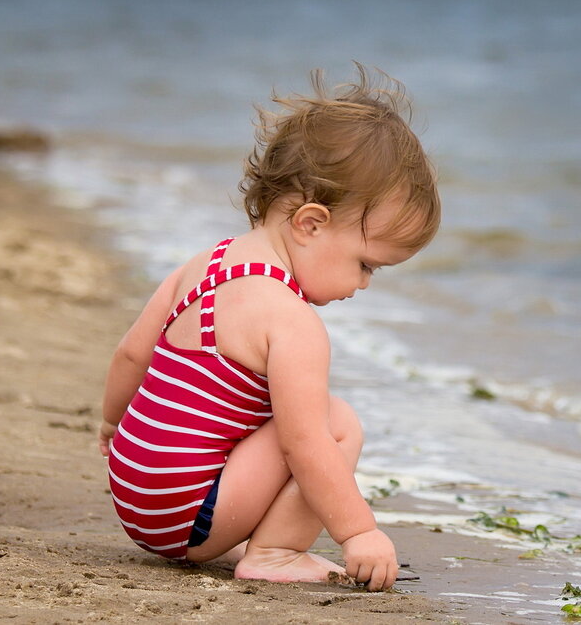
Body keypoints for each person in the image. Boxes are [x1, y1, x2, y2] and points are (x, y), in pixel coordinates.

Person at [97, 64, 440, 591]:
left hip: (131, 493)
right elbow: (304, 445)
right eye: (366, 265)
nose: (364, 285)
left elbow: (129, 356)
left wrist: (112, 427)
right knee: (336, 421)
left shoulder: (205, 263)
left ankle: (238, 533)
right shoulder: (291, 320)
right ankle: (276, 552)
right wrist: (359, 533)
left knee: (273, 419)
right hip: (186, 518)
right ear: (310, 223)